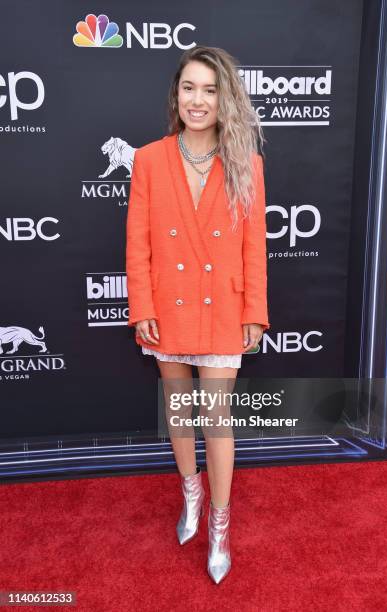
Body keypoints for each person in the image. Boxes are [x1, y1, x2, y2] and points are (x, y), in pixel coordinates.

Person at [126, 45, 270, 584]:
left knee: (217, 419)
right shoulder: (148, 158)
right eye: (190, 88)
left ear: (224, 98)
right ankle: (190, 492)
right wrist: (141, 305)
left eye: (210, 89)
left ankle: (219, 522)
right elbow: (138, 243)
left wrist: (255, 309)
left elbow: (255, 245)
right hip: (167, 308)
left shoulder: (246, 163)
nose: (198, 100)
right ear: (176, 94)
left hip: (223, 308)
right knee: (181, 414)